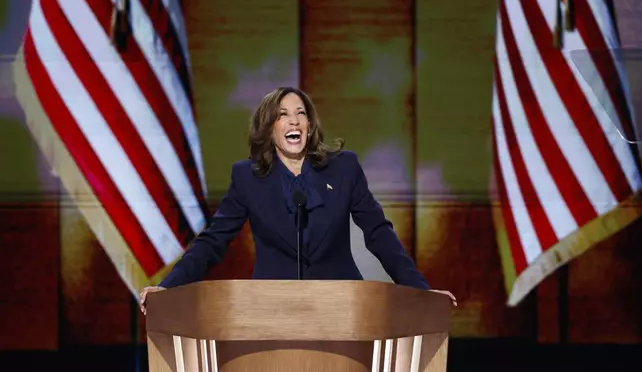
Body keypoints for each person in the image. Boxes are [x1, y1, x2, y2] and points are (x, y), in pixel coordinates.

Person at [139, 87, 456, 314]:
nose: (294, 121)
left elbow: (378, 233)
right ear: (269, 128)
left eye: (300, 114)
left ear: (309, 125)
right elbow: (212, 243)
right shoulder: (248, 178)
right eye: (283, 115)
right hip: (272, 313)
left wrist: (421, 292)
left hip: (341, 310)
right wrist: (167, 288)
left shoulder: (343, 169)